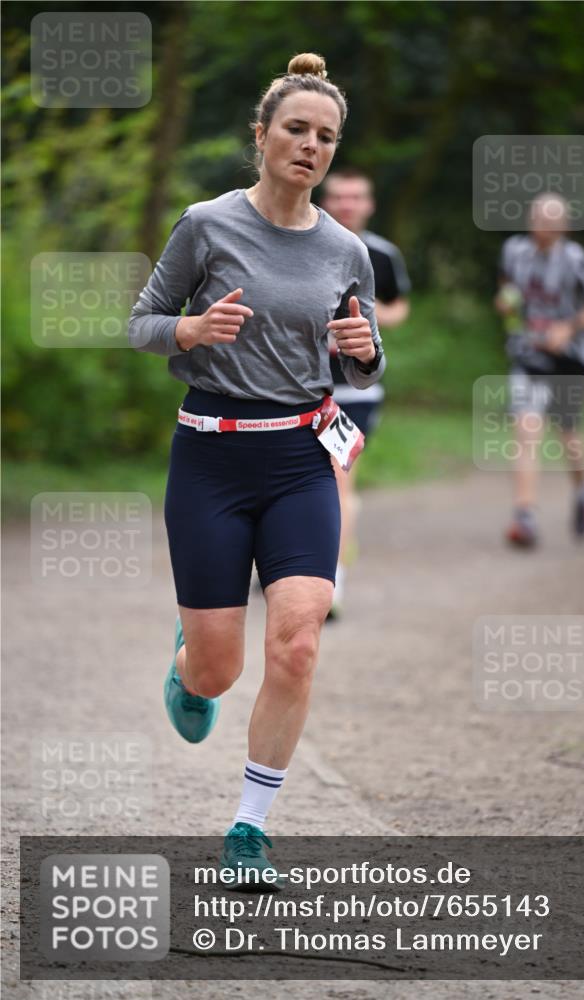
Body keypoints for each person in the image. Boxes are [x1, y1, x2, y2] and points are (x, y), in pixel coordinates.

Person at [128, 52, 385, 884]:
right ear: (263, 136)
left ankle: (249, 828)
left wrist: (364, 351)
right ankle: (188, 668)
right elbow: (142, 322)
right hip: (209, 456)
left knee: (298, 643)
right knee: (219, 665)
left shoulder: (347, 248)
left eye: (326, 137)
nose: (310, 146)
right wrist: (190, 332)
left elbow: (363, 360)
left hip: (301, 457)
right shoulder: (206, 223)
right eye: (297, 130)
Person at [494, 193, 584, 548]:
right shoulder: (514, 251)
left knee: (569, 435)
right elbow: (506, 289)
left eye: (551, 221)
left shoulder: (578, 260)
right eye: (537, 218)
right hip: (528, 354)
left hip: (570, 359)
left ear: (564, 225)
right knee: (526, 428)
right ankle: (525, 516)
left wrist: (570, 327)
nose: (543, 227)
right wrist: (506, 303)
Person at [319, 168, 410, 616]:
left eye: (356, 197)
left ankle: (333, 580)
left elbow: (399, 308)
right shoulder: (300, 243)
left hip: (353, 393)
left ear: (369, 204)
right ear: (327, 199)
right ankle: (288, 566)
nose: (347, 205)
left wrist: (364, 329)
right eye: (339, 197)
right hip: (293, 391)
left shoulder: (382, 253)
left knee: (338, 480)